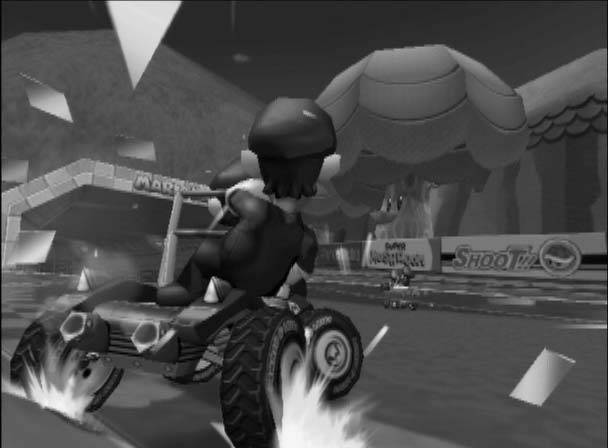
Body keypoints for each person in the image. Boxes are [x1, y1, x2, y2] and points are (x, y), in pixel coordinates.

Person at [156, 97, 340, 306]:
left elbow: (219, 203)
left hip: (230, 270)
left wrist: (244, 192)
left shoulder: (251, 203)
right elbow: (299, 271)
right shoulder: (304, 236)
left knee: (209, 252)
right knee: (291, 279)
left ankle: (205, 289)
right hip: (265, 282)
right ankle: (262, 293)